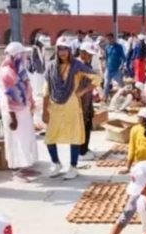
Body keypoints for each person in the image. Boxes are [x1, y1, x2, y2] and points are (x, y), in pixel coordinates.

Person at [43, 36, 102, 180]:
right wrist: (44, 110)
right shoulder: (51, 66)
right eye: (60, 49)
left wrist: (83, 91)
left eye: (65, 49)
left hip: (72, 106)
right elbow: (46, 89)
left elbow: (97, 79)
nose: (62, 52)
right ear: (56, 50)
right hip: (55, 106)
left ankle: (73, 166)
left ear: (70, 50)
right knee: (50, 137)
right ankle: (56, 163)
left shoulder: (77, 66)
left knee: (73, 137)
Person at [0, 42, 39, 183]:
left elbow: (26, 88)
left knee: (25, 139)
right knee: (15, 140)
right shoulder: (7, 73)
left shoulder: (18, 71)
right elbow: (9, 97)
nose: (25, 58)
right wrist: (13, 118)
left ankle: (24, 166)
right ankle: (15, 171)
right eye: (22, 55)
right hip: (13, 112)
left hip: (22, 110)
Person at [77, 42, 98, 161]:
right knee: (82, 126)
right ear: (82, 53)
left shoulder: (87, 66)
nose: (90, 57)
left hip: (87, 101)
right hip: (80, 101)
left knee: (87, 125)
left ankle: (85, 147)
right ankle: (81, 152)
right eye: (89, 54)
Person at [27, 38, 47, 135]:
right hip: (37, 80)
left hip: (39, 80)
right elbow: (35, 67)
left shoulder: (37, 52)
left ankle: (40, 124)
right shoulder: (35, 51)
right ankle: (38, 124)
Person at [103, 33, 126, 101]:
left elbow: (123, 57)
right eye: (108, 39)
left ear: (113, 38)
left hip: (116, 70)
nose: (109, 40)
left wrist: (122, 65)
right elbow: (107, 57)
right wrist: (105, 66)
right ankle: (105, 98)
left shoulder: (119, 47)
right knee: (106, 85)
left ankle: (126, 96)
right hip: (108, 69)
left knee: (121, 84)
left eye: (110, 39)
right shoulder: (107, 47)